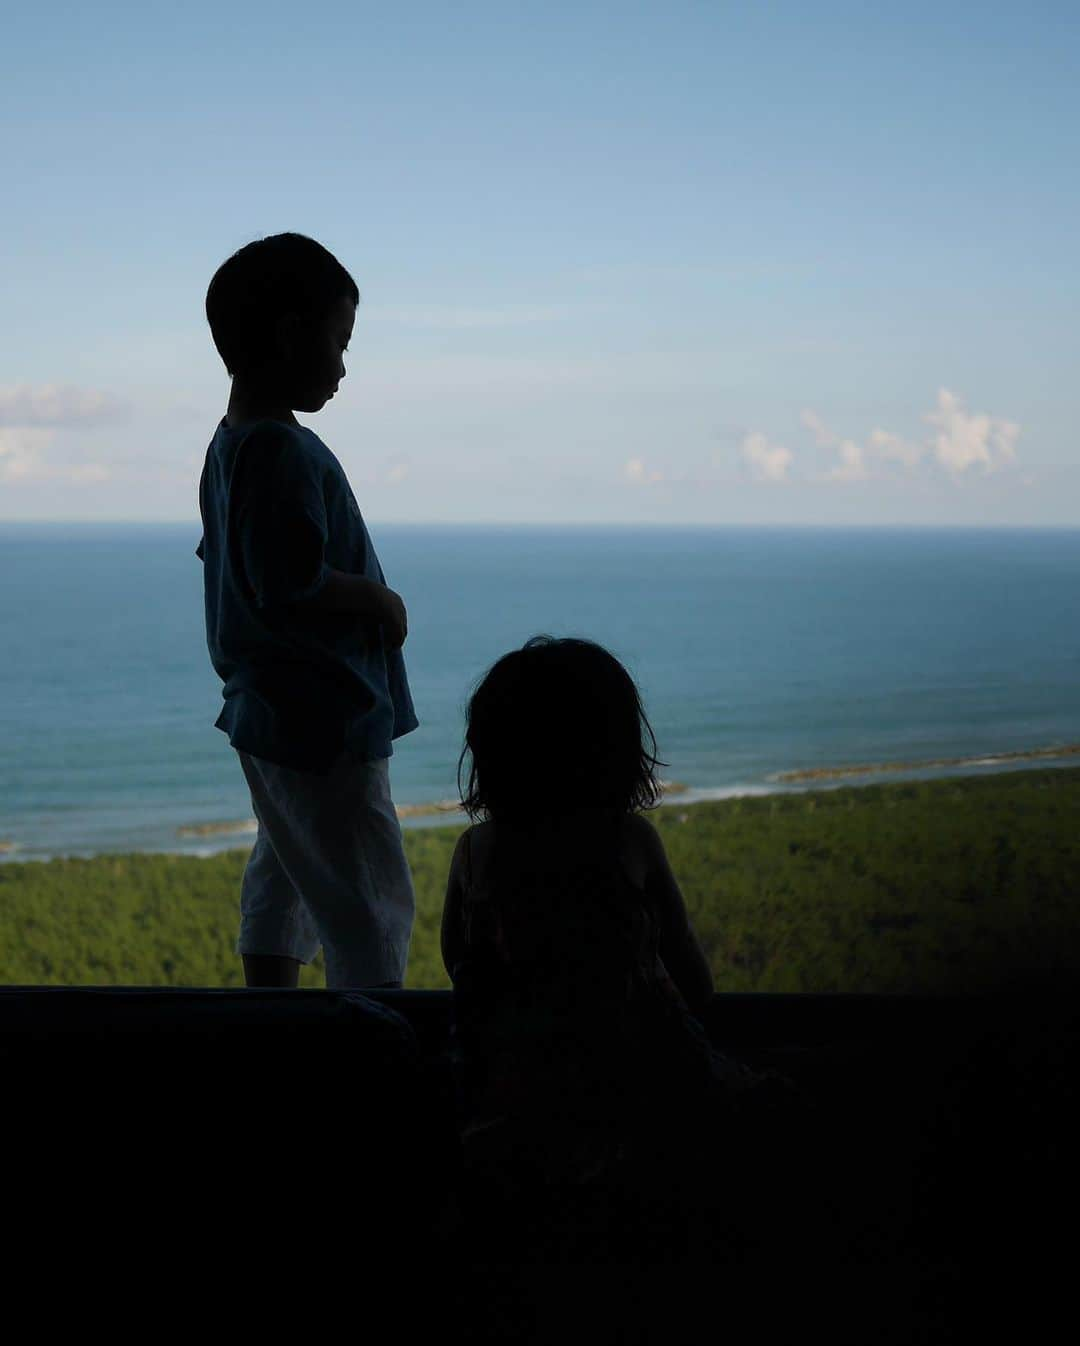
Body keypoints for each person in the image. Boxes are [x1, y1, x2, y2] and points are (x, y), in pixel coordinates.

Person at [440, 636, 801, 1256]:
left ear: (491, 754)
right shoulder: (630, 843)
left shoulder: (476, 854)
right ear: (616, 752)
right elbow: (695, 978)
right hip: (650, 1078)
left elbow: (459, 964)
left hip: (517, 1091)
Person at [196, 232, 418, 990]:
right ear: (293, 334)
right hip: (322, 711)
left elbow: (231, 563)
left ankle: (273, 1006)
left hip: (270, 715)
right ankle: (372, 1033)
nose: (345, 366)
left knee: (287, 864)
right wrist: (379, 600)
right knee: (368, 894)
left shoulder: (230, 445)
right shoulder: (282, 451)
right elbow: (291, 582)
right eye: (340, 340)